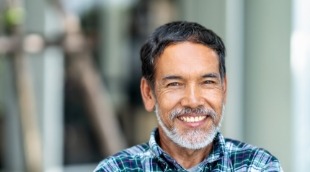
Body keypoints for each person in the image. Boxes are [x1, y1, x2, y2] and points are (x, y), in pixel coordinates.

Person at [94, 21, 283, 171]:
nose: (193, 101)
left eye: (208, 82)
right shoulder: (116, 169)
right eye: (175, 84)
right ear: (148, 93)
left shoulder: (257, 165)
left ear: (224, 89)